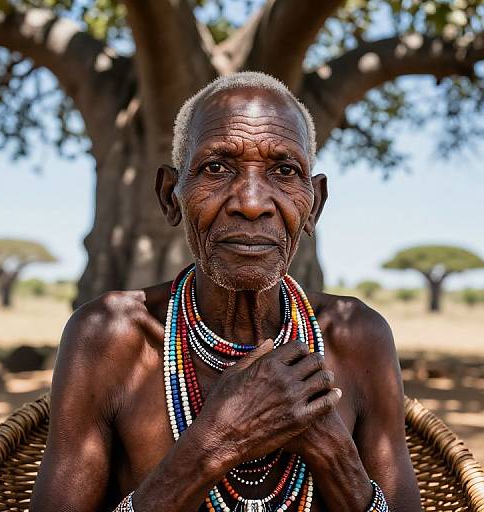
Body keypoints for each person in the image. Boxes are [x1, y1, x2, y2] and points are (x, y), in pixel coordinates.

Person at [30, 72, 422, 512]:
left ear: (315, 203)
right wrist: (216, 441)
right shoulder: (109, 338)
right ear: (170, 197)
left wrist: (331, 449)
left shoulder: (356, 339)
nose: (251, 203)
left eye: (284, 170)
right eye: (216, 167)